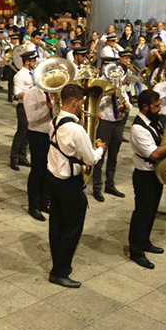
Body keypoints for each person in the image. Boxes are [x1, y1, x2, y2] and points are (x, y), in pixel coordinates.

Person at [46, 83, 105, 288]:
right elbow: (90, 159)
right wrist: (100, 149)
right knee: (71, 228)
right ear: (75, 101)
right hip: (69, 184)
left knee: (56, 224)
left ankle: (58, 265)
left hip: (53, 179)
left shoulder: (54, 120)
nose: (82, 105)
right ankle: (60, 271)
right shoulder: (76, 129)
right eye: (81, 102)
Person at [127, 90, 166, 270]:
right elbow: (154, 154)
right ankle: (136, 250)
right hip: (144, 175)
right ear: (144, 107)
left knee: (151, 211)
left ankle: (145, 241)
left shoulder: (154, 122)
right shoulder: (138, 128)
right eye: (155, 106)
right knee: (142, 213)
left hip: (154, 175)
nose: (159, 109)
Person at [93, 60, 131, 201]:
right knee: (100, 155)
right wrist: (109, 94)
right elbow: (94, 101)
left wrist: (126, 104)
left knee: (113, 156)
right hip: (104, 123)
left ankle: (110, 184)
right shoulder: (100, 83)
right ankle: (97, 187)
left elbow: (128, 103)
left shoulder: (119, 83)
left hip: (118, 123)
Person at [24, 73, 53, 221]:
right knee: (37, 170)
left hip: (51, 134)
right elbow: (31, 118)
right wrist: (47, 107)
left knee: (49, 170)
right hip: (37, 135)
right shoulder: (31, 94)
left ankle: (44, 201)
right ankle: (33, 205)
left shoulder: (54, 92)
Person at [9, 50, 36, 171]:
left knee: (28, 133)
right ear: (27, 62)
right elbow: (17, 94)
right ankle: (13, 159)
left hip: (32, 106)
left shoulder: (32, 73)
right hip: (23, 106)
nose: (35, 63)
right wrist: (31, 95)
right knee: (21, 133)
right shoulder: (20, 75)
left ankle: (22, 156)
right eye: (33, 61)